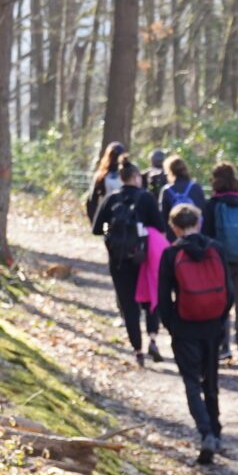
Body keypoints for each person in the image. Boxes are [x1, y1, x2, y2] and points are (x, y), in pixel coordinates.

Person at [154, 203, 229, 464]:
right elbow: (228, 290)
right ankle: (217, 432)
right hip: (212, 325)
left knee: (191, 381)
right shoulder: (216, 249)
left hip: (185, 326)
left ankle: (206, 431)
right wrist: (220, 319)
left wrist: (171, 324)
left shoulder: (171, 254)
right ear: (199, 222)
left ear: (173, 227)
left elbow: (163, 296)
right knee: (211, 380)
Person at [94, 156, 165, 367]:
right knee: (150, 297)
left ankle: (137, 350)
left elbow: (97, 228)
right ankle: (152, 338)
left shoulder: (112, 199)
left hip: (118, 261)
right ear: (135, 177)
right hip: (143, 259)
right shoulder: (147, 198)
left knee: (128, 305)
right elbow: (160, 227)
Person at [202, 163, 238, 366]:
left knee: (221, 305)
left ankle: (223, 348)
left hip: (221, 262)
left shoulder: (212, 205)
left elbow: (206, 235)